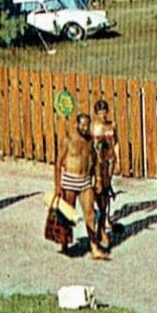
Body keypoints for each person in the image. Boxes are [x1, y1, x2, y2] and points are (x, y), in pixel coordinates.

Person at [54, 110, 110, 260]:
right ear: (76, 124)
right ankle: (65, 244)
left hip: (85, 181)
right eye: (83, 125)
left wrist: (98, 179)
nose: (85, 128)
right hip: (70, 181)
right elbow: (58, 163)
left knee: (90, 214)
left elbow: (96, 161)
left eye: (88, 125)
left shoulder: (90, 141)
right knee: (67, 215)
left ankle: (94, 247)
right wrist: (57, 186)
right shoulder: (68, 139)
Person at [90, 98, 119, 237]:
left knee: (107, 188)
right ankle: (98, 215)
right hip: (98, 162)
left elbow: (116, 142)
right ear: (96, 113)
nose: (103, 115)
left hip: (110, 159)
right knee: (98, 188)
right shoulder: (93, 126)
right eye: (100, 113)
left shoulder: (112, 125)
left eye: (104, 112)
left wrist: (118, 159)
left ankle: (106, 217)